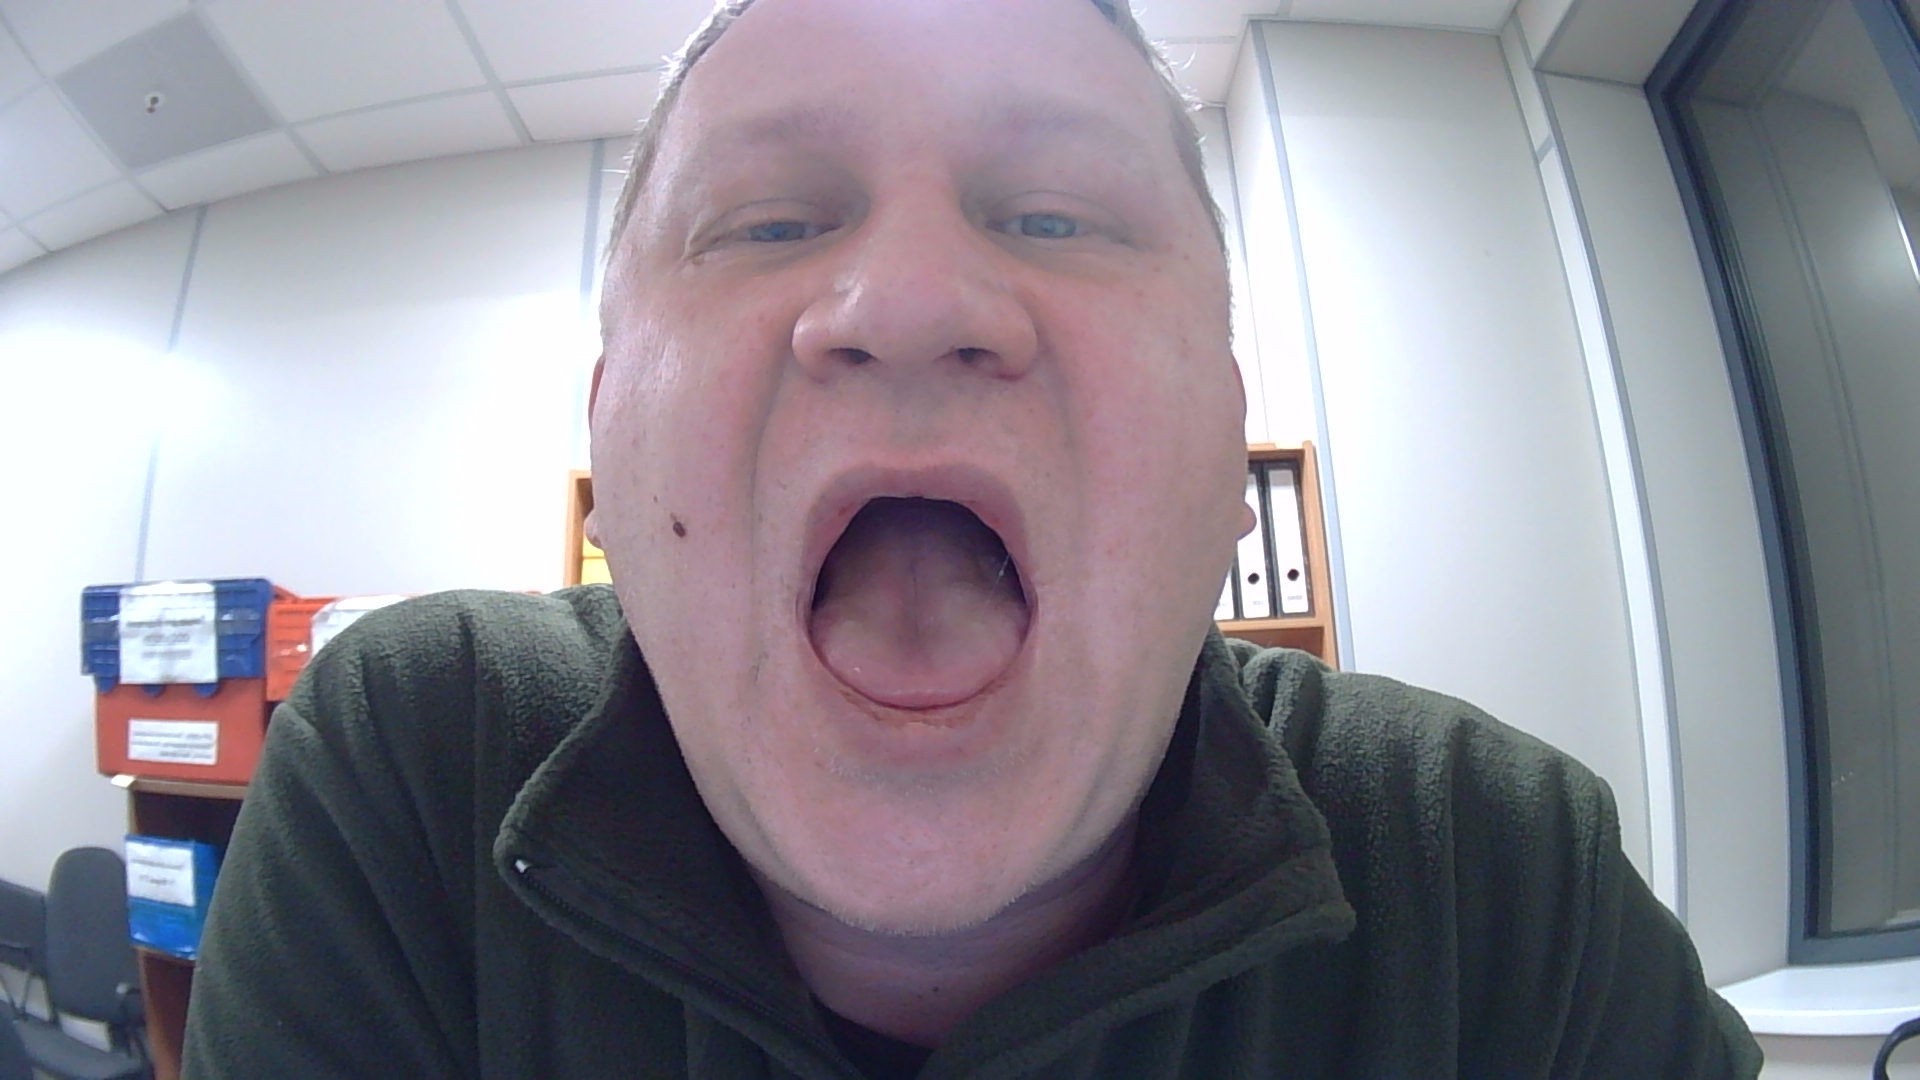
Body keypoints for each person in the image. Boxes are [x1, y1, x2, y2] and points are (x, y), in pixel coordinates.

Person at [181, 0, 1763, 1076]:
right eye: (771, 221)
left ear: (1229, 438)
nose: (912, 301)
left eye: (1056, 215)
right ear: (609, 427)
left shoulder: (1494, 872)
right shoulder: (411, 770)